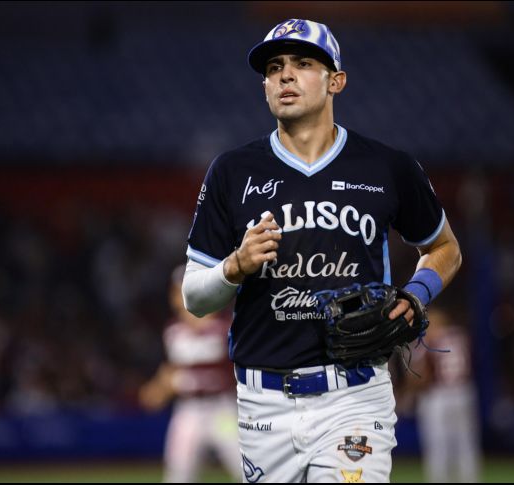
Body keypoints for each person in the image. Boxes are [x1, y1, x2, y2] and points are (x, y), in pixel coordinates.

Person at [182, 18, 462, 483]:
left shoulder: (387, 167)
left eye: (303, 63)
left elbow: (444, 247)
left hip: (354, 397)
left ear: (337, 81)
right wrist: (235, 266)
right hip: (262, 406)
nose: (285, 75)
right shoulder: (232, 172)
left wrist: (417, 294)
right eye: (274, 68)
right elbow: (194, 298)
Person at [138, 265, 240, 483]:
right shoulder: (172, 331)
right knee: (179, 475)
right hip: (188, 410)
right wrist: (159, 388)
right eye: (178, 291)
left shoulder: (227, 327)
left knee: (245, 469)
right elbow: (171, 371)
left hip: (222, 409)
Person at [405, 307, 481, 483]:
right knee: (466, 444)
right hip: (464, 392)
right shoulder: (460, 335)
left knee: (438, 445)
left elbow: (419, 373)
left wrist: (409, 391)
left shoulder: (429, 339)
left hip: (438, 396)